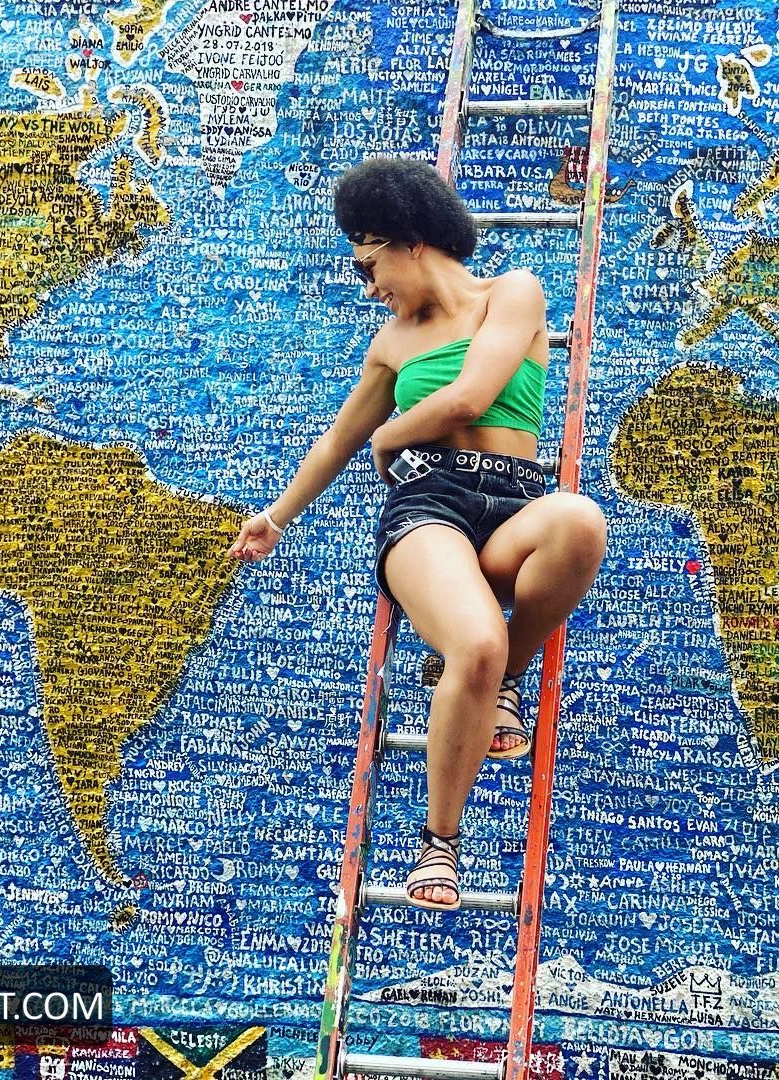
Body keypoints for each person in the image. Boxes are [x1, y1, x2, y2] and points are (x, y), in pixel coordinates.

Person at [229, 157, 607, 911]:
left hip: (514, 506)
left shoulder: (513, 293)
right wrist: (275, 518)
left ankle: (507, 681)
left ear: (408, 239)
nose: (370, 288)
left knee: (581, 519)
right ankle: (440, 842)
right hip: (428, 510)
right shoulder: (391, 343)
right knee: (475, 644)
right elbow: (337, 442)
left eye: (369, 267)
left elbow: (469, 398)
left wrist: (391, 435)